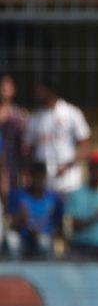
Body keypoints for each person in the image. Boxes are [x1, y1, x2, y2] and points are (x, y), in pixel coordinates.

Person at [25, 82, 90, 198]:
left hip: (69, 180)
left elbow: (85, 144)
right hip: (44, 182)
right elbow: (28, 148)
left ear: (51, 91)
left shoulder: (71, 112)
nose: (37, 94)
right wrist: (33, 172)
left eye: (41, 90)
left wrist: (68, 164)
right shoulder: (34, 117)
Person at [8, 161, 64, 260]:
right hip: (24, 239)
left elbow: (58, 225)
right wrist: (21, 218)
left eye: (40, 176)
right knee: (12, 240)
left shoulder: (54, 198)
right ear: (30, 177)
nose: (38, 180)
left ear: (45, 177)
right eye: (35, 176)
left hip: (44, 240)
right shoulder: (18, 195)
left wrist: (48, 234)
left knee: (43, 243)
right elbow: (11, 224)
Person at [0, 74, 28, 209]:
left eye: (7, 85)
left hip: (11, 172)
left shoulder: (19, 115)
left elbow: (25, 147)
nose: (3, 89)